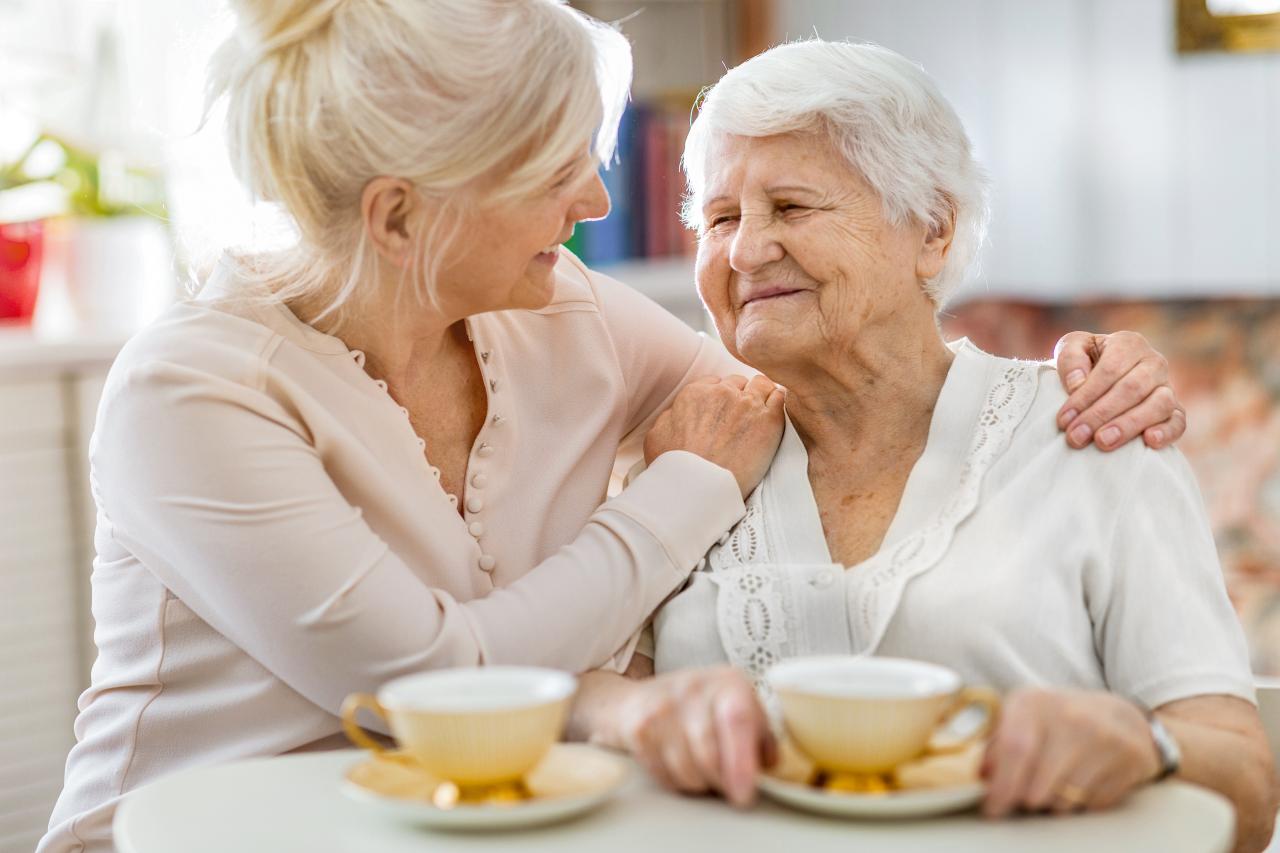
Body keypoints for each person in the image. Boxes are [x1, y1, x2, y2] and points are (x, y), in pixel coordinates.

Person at [39, 5, 1185, 851]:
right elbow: (432, 686)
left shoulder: (559, 312)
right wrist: (677, 492)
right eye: (554, 174)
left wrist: (1066, 380)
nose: (594, 205)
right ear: (402, 215)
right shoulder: (191, 394)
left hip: (466, 829)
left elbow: (819, 387)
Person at [567, 39, 1276, 853]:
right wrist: (634, 714)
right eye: (722, 217)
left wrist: (1145, 748)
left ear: (933, 230)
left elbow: (1247, 791)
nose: (745, 250)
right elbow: (582, 704)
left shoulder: (1096, 428)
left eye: (792, 207)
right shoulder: (689, 453)